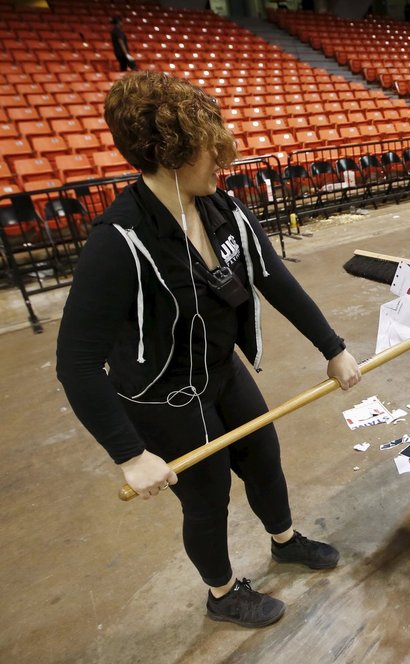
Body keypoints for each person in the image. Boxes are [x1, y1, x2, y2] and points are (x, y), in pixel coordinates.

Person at [56, 72, 362, 628]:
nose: (221, 164)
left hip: (221, 370)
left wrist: (332, 347)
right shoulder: (118, 242)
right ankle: (222, 595)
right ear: (168, 156)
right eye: (207, 153)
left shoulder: (222, 206)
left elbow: (275, 279)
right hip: (162, 397)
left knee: (263, 458)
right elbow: (75, 364)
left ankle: (284, 541)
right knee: (208, 492)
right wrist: (129, 455)